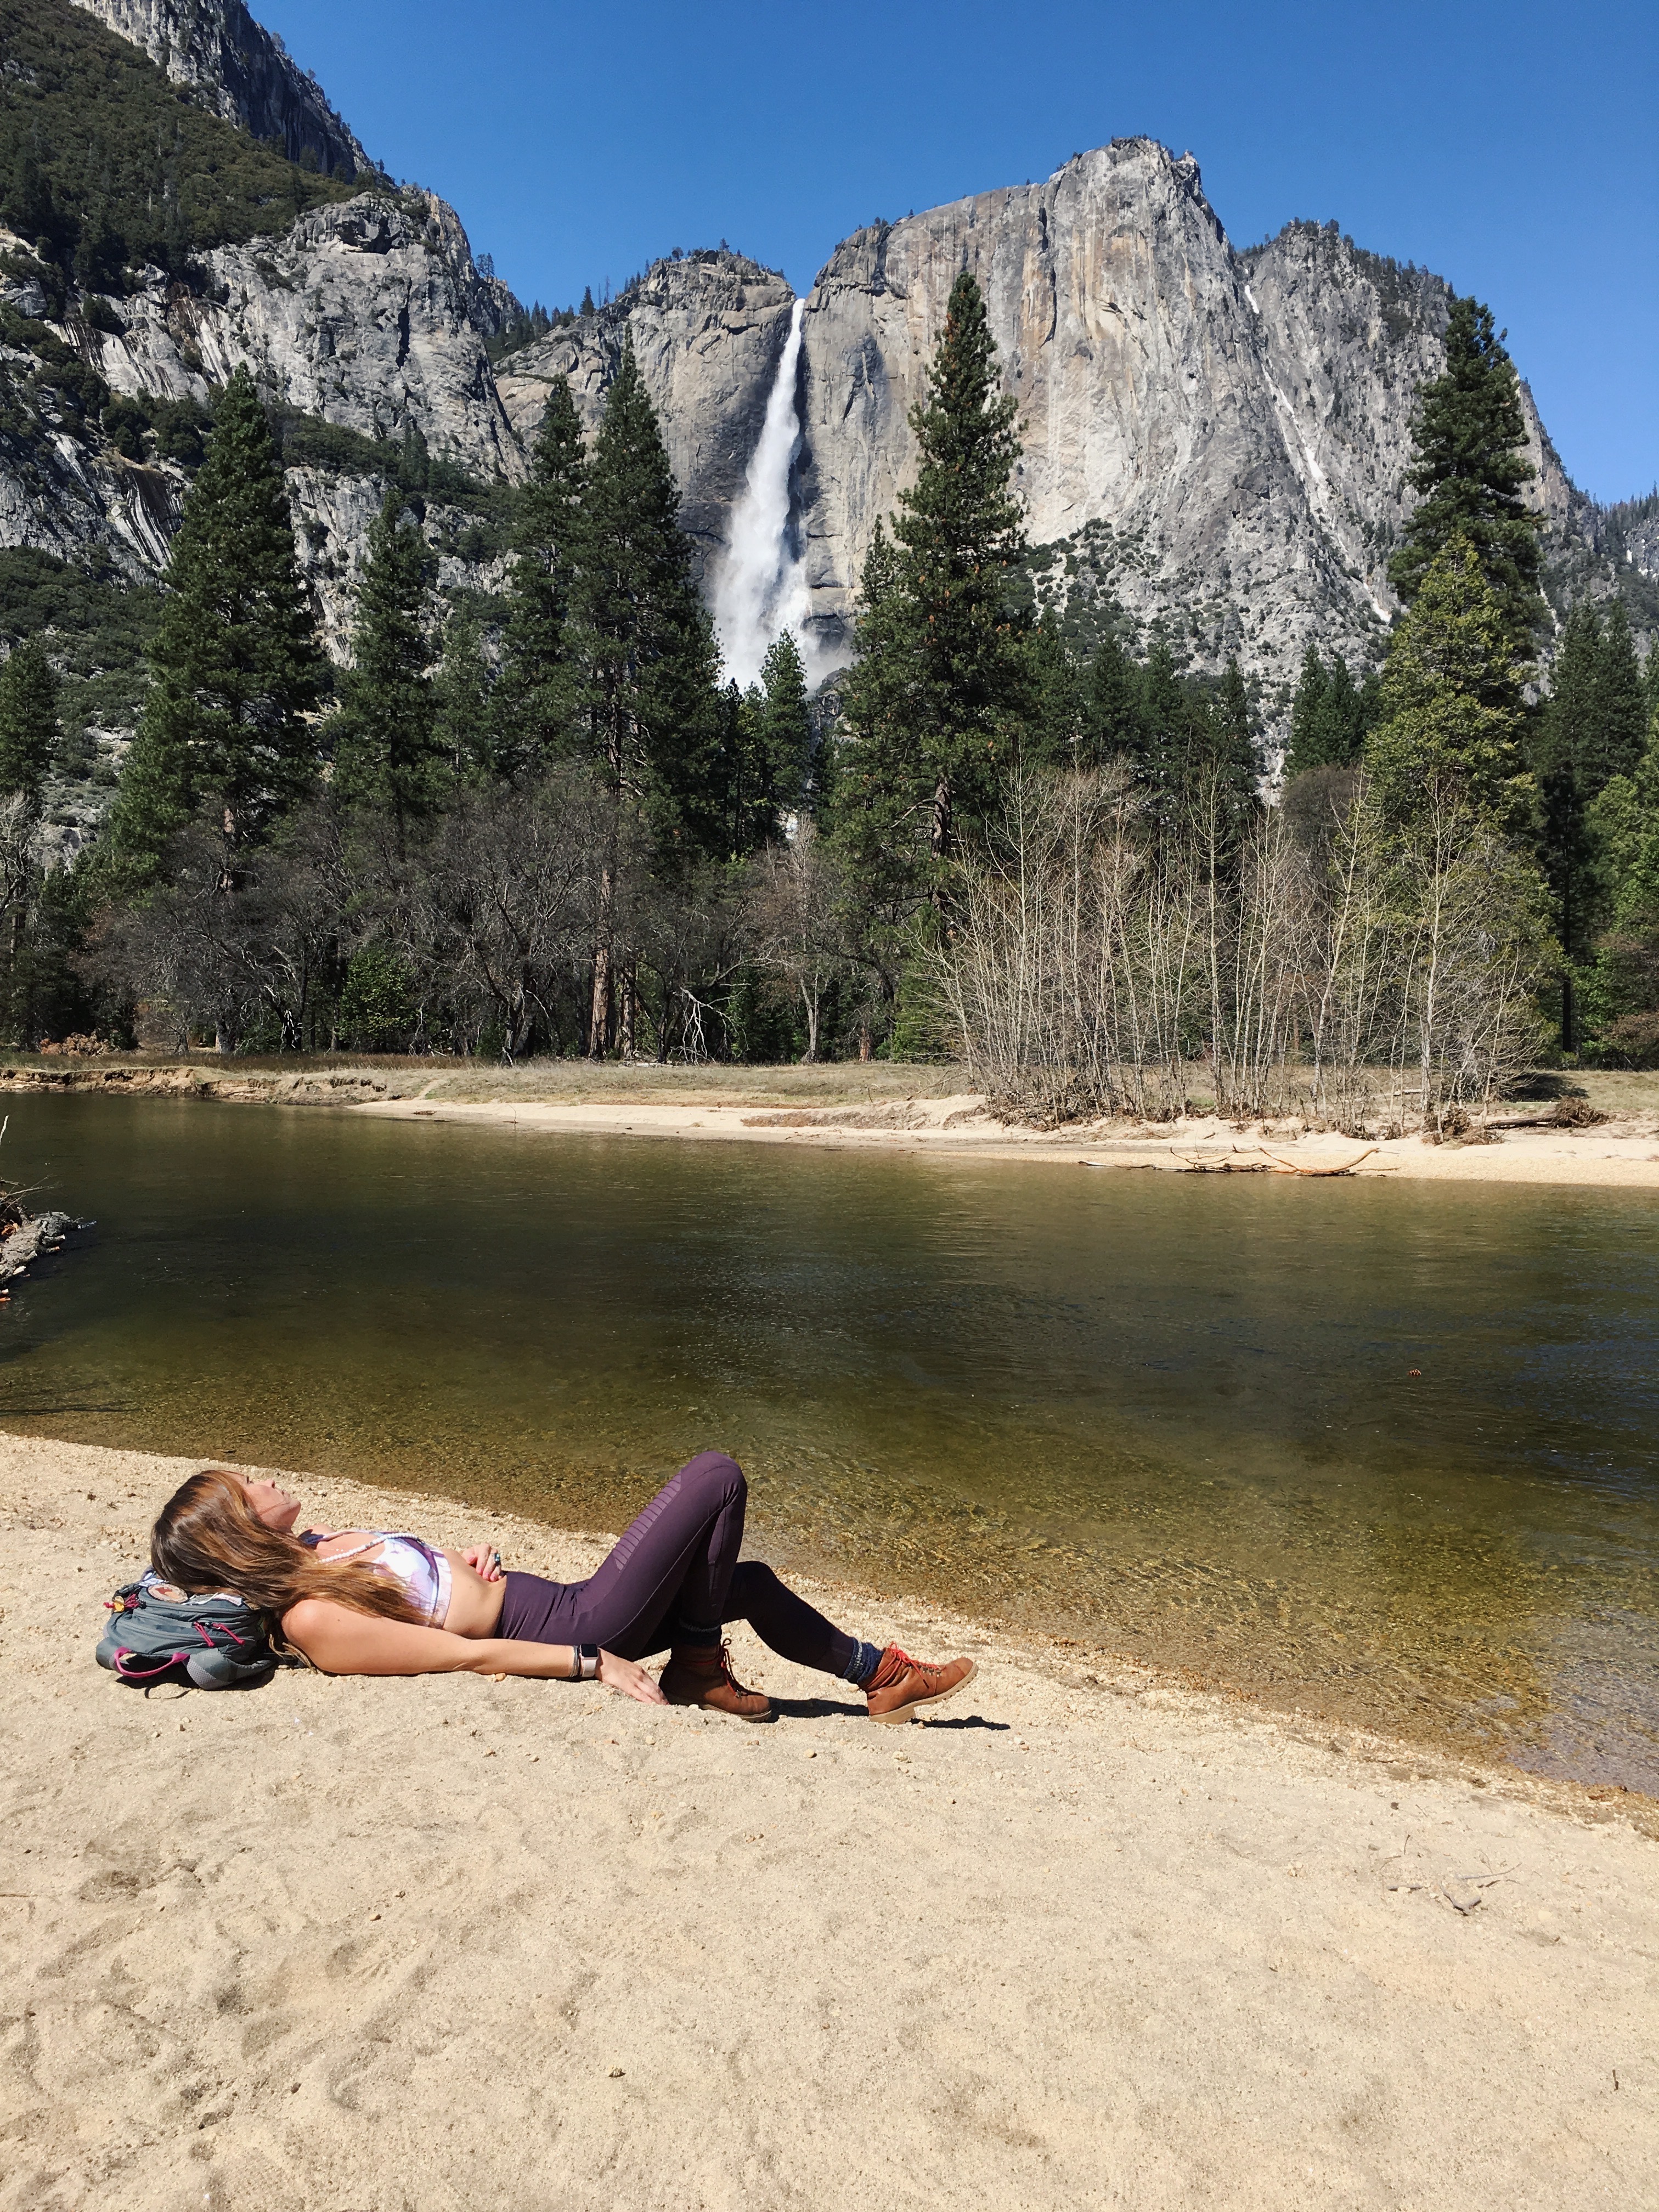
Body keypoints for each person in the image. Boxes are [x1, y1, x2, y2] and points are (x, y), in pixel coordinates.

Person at [148, 1452, 977, 1725]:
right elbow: (459, 1657)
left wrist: (458, 1555)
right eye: (246, 1489)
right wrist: (594, 1662)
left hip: (567, 1598)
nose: (261, 1482)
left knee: (749, 1580)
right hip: (581, 1619)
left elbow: (433, 1588)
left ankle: (880, 1678)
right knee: (716, 1475)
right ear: (239, 1528)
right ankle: (697, 1663)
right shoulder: (316, 1618)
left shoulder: (322, 1547)